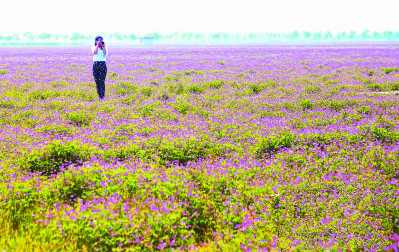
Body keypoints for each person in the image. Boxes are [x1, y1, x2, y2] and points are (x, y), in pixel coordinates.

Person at [91, 36, 108, 100]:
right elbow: (95, 52)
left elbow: (105, 54)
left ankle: (102, 96)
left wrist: (103, 47)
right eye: (98, 40)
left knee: (102, 81)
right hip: (96, 64)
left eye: (101, 40)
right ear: (95, 41)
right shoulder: (93, 47)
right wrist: (97, 45)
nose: (99, 41)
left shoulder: (105, 47)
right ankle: (99, 95)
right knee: (97, 81)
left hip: (103, 64)